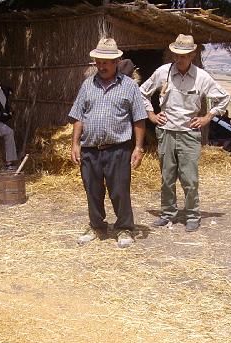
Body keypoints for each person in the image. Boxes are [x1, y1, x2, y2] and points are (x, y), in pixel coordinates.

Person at [140, 34, 230, 232]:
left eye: (184, 55)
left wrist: (207, 118)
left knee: (189, 178)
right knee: (166, 176)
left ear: (192, 55)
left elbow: (223, 98)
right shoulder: (163, 72)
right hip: (165, 131)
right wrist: (152, 116)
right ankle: (167, 213)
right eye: (176, 55)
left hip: (189, 133)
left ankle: (192, 215)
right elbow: (142, 92)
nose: (179, 59)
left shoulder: (202, 77)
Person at [69, 38, 146, 248]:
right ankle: (96, 226)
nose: (102, 66)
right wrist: (75, 144)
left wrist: (138, 147)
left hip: (118, 149)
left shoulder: (129, 86)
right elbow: (79, 116)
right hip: (91, 149)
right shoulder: (87, 85)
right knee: (92, 190)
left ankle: (124, 228)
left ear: (117, 61)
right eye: (99, 61)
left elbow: (139, 118)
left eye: (107, 62)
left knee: (120, 190)